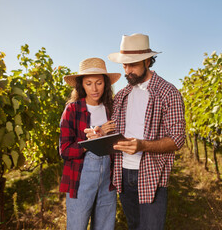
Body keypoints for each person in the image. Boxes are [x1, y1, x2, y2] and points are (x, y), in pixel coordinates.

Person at [86, 33, 186, 230]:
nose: (127, 70)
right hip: (123, 174)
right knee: (134, 225)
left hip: (151, 174)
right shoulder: (122, 95)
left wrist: (142, 145)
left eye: (133, 64)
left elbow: (177, 139)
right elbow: (114, 130)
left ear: (148, 61)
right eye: (124, 65)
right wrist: (100, 134)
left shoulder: (168, 92)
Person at [59, 57, 121, 230]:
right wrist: (88, 142)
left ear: (106, 84)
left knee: (105, 227)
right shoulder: (72, 109)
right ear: (82, 85)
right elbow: (64, 150)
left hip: (108, 179)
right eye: (88, 83)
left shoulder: (112, 108)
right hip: (80, 177)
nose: (94, 89)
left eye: (99, 83)